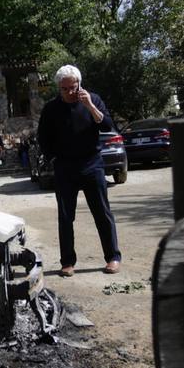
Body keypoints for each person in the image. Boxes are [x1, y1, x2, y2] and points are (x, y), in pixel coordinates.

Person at [36, 64, 121, 277]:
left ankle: (112, 257)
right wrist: (53, 158)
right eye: (64, 89)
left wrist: (91, 106)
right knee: (66, 217)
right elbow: (43, 138)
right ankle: (67, 262)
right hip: (65, 167)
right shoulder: (51, 108)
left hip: (92, 164)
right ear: (59, 88)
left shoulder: (93, 99)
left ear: (79, 84)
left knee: (102, 213)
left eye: (73, 87)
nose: (69, 93)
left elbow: (108, 126)